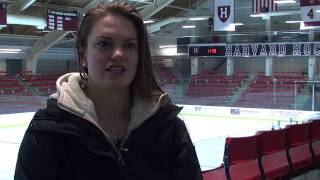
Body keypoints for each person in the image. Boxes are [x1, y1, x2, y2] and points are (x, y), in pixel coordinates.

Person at [14, 1, 203, 180]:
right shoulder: (47, 132)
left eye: (129, 45)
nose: (118, 54)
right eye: (104, 43)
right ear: (83, 56)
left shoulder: (169, 130)